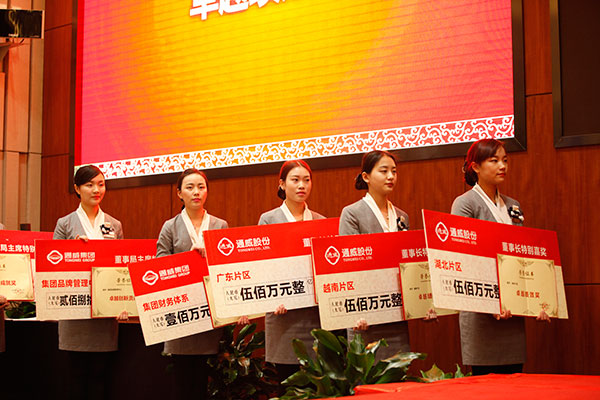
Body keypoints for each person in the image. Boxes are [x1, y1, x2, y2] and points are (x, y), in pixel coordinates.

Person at [451, 138, 550, 375]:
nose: (502, 166)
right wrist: (490, 304)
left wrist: (538, 302)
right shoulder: (465, 204)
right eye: (494, 161)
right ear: (475, 166)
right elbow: (464, 260)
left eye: (505, 160)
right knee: (485, 384)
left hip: (512, 311)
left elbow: (522, 257)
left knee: (514, 381)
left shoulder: (513, 205)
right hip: (482, 312)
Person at [241, 160, 325, 384]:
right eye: (295, 180)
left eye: (306, 180)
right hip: (282, 317)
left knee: (316, 388)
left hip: (314, 317)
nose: (302, 185)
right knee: (286, 386)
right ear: (282, 184)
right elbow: (262, 267)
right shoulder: (269, 220)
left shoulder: (321, 222)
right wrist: (273, 299)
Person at [53, 165, 125, 400]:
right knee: (76, 377)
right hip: (74, 312)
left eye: (101, 184)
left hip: (104, 315)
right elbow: (52, 266)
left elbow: (120, 268)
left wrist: (123, 303)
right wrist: (72, 250)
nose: (96, 190)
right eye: (89, 185)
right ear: (77, 189)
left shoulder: (114, 225)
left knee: (100, 378)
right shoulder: (65, 224)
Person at [156, 168, 228, 399]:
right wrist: (188, 258)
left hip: (210, 316)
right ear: (179, 193)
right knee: (183, 385)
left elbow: (228, 266)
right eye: (190, 187)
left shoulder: (220, 225)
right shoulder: (170, 226)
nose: (196, 192)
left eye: (201, 187)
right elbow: (159, 266)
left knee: (204, 386)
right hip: (181, 315)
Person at [339, 150, 414, 359]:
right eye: (383, 171)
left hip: (396, 313)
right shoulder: (352, 213)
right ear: (366, 177)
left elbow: (409, 264)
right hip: (365, 315)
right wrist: (356, 311)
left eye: (394, 171)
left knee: (398, 373)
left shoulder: (402, 216)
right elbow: (349, 267)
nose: (391, 176)